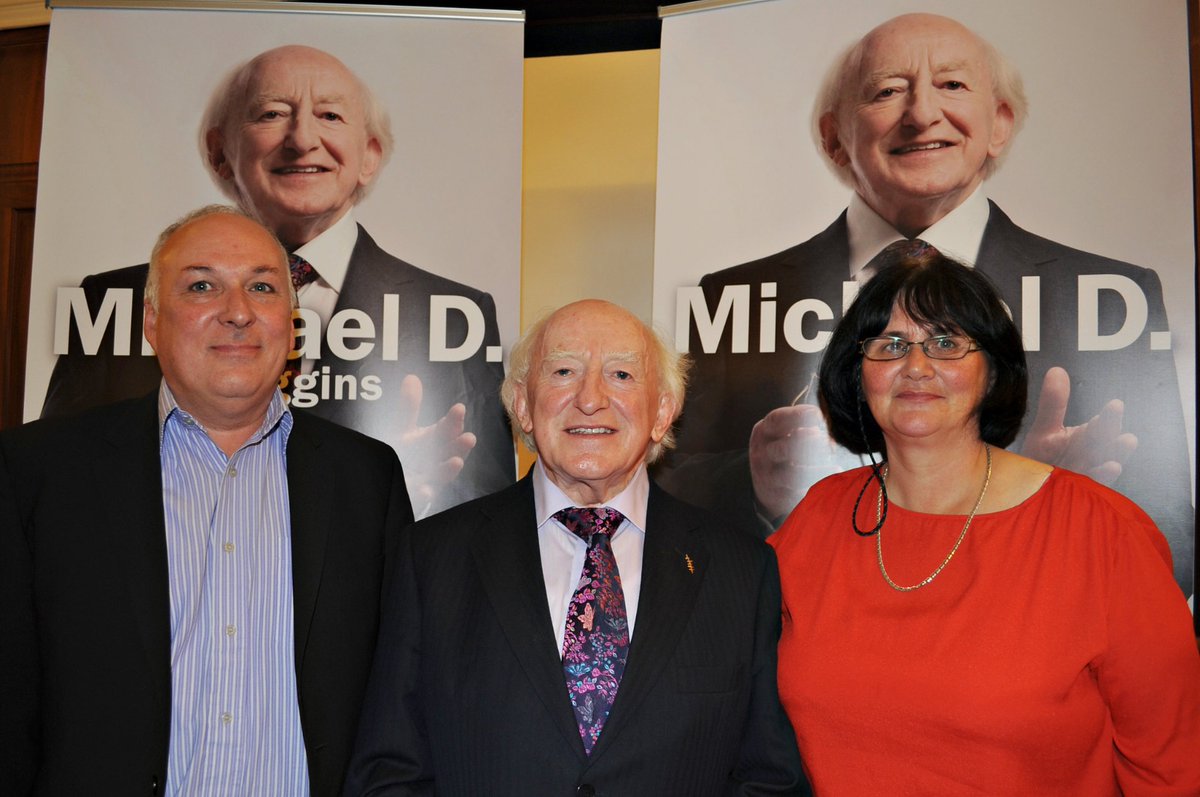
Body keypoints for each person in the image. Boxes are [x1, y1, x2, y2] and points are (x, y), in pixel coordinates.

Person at [660, 12, 1194, 598]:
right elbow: (670, 502)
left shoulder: (1113, 296)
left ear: (1001, 124)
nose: (921, 114)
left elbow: (1176, 552)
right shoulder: (733, 297)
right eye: (888, 91)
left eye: (953, 85)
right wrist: (754, 484)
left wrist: (1055, 501)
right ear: (835, 137)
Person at [0, 206, 414, 795]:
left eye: (263, 287)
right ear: (151, 319)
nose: (238, 312)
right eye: (202, 286)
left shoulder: (366, 479)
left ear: (290, 321)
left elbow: (399, 702)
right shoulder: (37, 473)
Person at [768, 248, 1200, 794]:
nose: (916, 366)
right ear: (857, 373)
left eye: (947, 343)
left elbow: (1172, 769)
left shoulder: (1103, 533)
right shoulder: (820, 517)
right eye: (891, 345)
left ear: (992, 370)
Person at [344, 299, 808, 795]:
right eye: (563, 371)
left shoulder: (740, 568)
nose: (590, 398)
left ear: (663, 412)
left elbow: (767, 779)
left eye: (623, 375)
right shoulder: (432, 557)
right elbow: (388, 773)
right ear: (523, 404)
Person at [40, 44, 512, 518]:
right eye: (271, 113)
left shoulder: (455, 315)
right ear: (220, 151)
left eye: (329, 115)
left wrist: (408, 495)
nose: (302, 138)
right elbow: (55, 492)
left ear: (369, 155)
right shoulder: (109, 302)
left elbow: (483, 526)